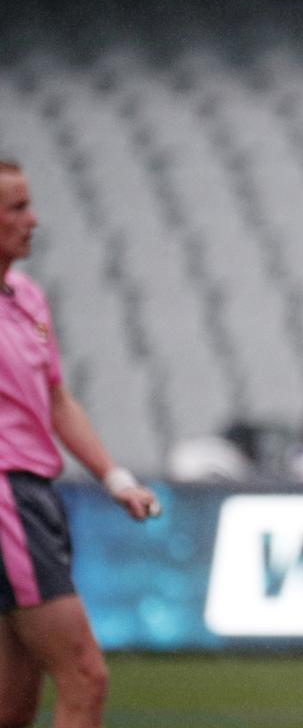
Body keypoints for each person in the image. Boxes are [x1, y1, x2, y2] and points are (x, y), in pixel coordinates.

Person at [0, 160, 160, 728]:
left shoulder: (25, 297)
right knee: (84, 677)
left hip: (33, 496)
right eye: (17, 207)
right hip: (7, 501)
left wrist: (115, 479)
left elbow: (55, 398)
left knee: (12, 706)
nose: (33, 219)